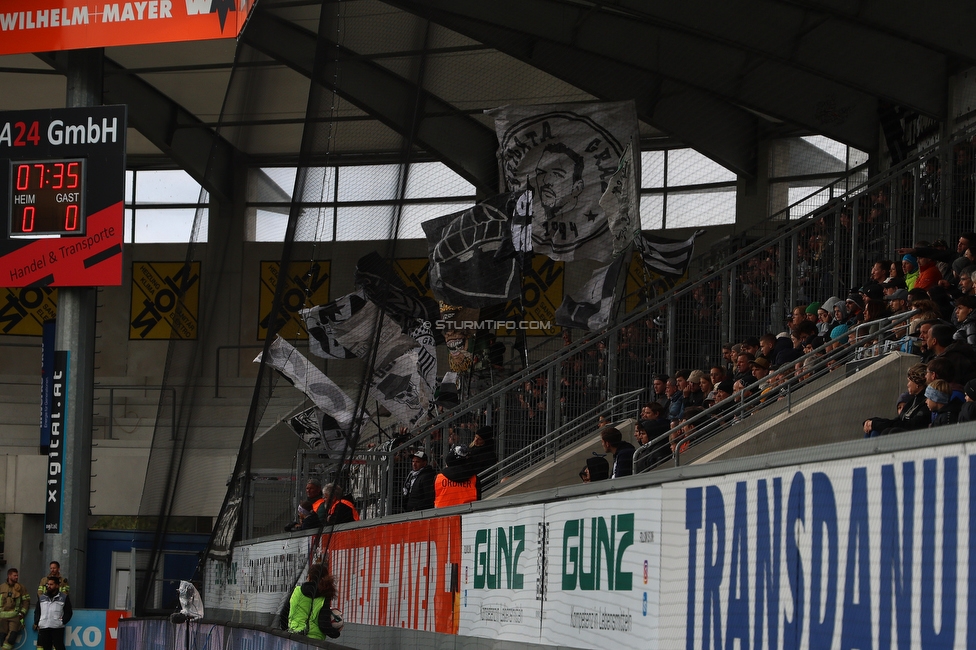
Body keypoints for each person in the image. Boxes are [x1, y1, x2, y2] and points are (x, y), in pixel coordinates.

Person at [285, 564, 341, 640]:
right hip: (314, 641)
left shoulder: (297, 591)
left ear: (309, 577)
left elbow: (284, 614)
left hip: (295, 637)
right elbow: (323, 625)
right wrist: (336, 633)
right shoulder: (324, 596)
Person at [33, 577, 71, 650]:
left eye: (51, 584)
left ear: (57, 585)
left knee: (59, 647)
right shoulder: (42, 597)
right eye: (48, 584)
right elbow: (37, 611)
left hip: (57, 627)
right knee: (46, 648)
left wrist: (62, 622)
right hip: (44, 627)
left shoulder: (64, 597)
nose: (49, 586)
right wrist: (37, 622)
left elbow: (68, 612)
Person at [0, 568, 29, 650]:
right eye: (14, 575)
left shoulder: (21, 588)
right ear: (9, 576)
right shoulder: (1, 587)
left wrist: (22, 612)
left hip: (15, 616)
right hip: (2, 617)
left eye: (17, 575)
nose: (16, 577)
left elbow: (26, 601)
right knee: (2, 637)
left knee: (12, 637)